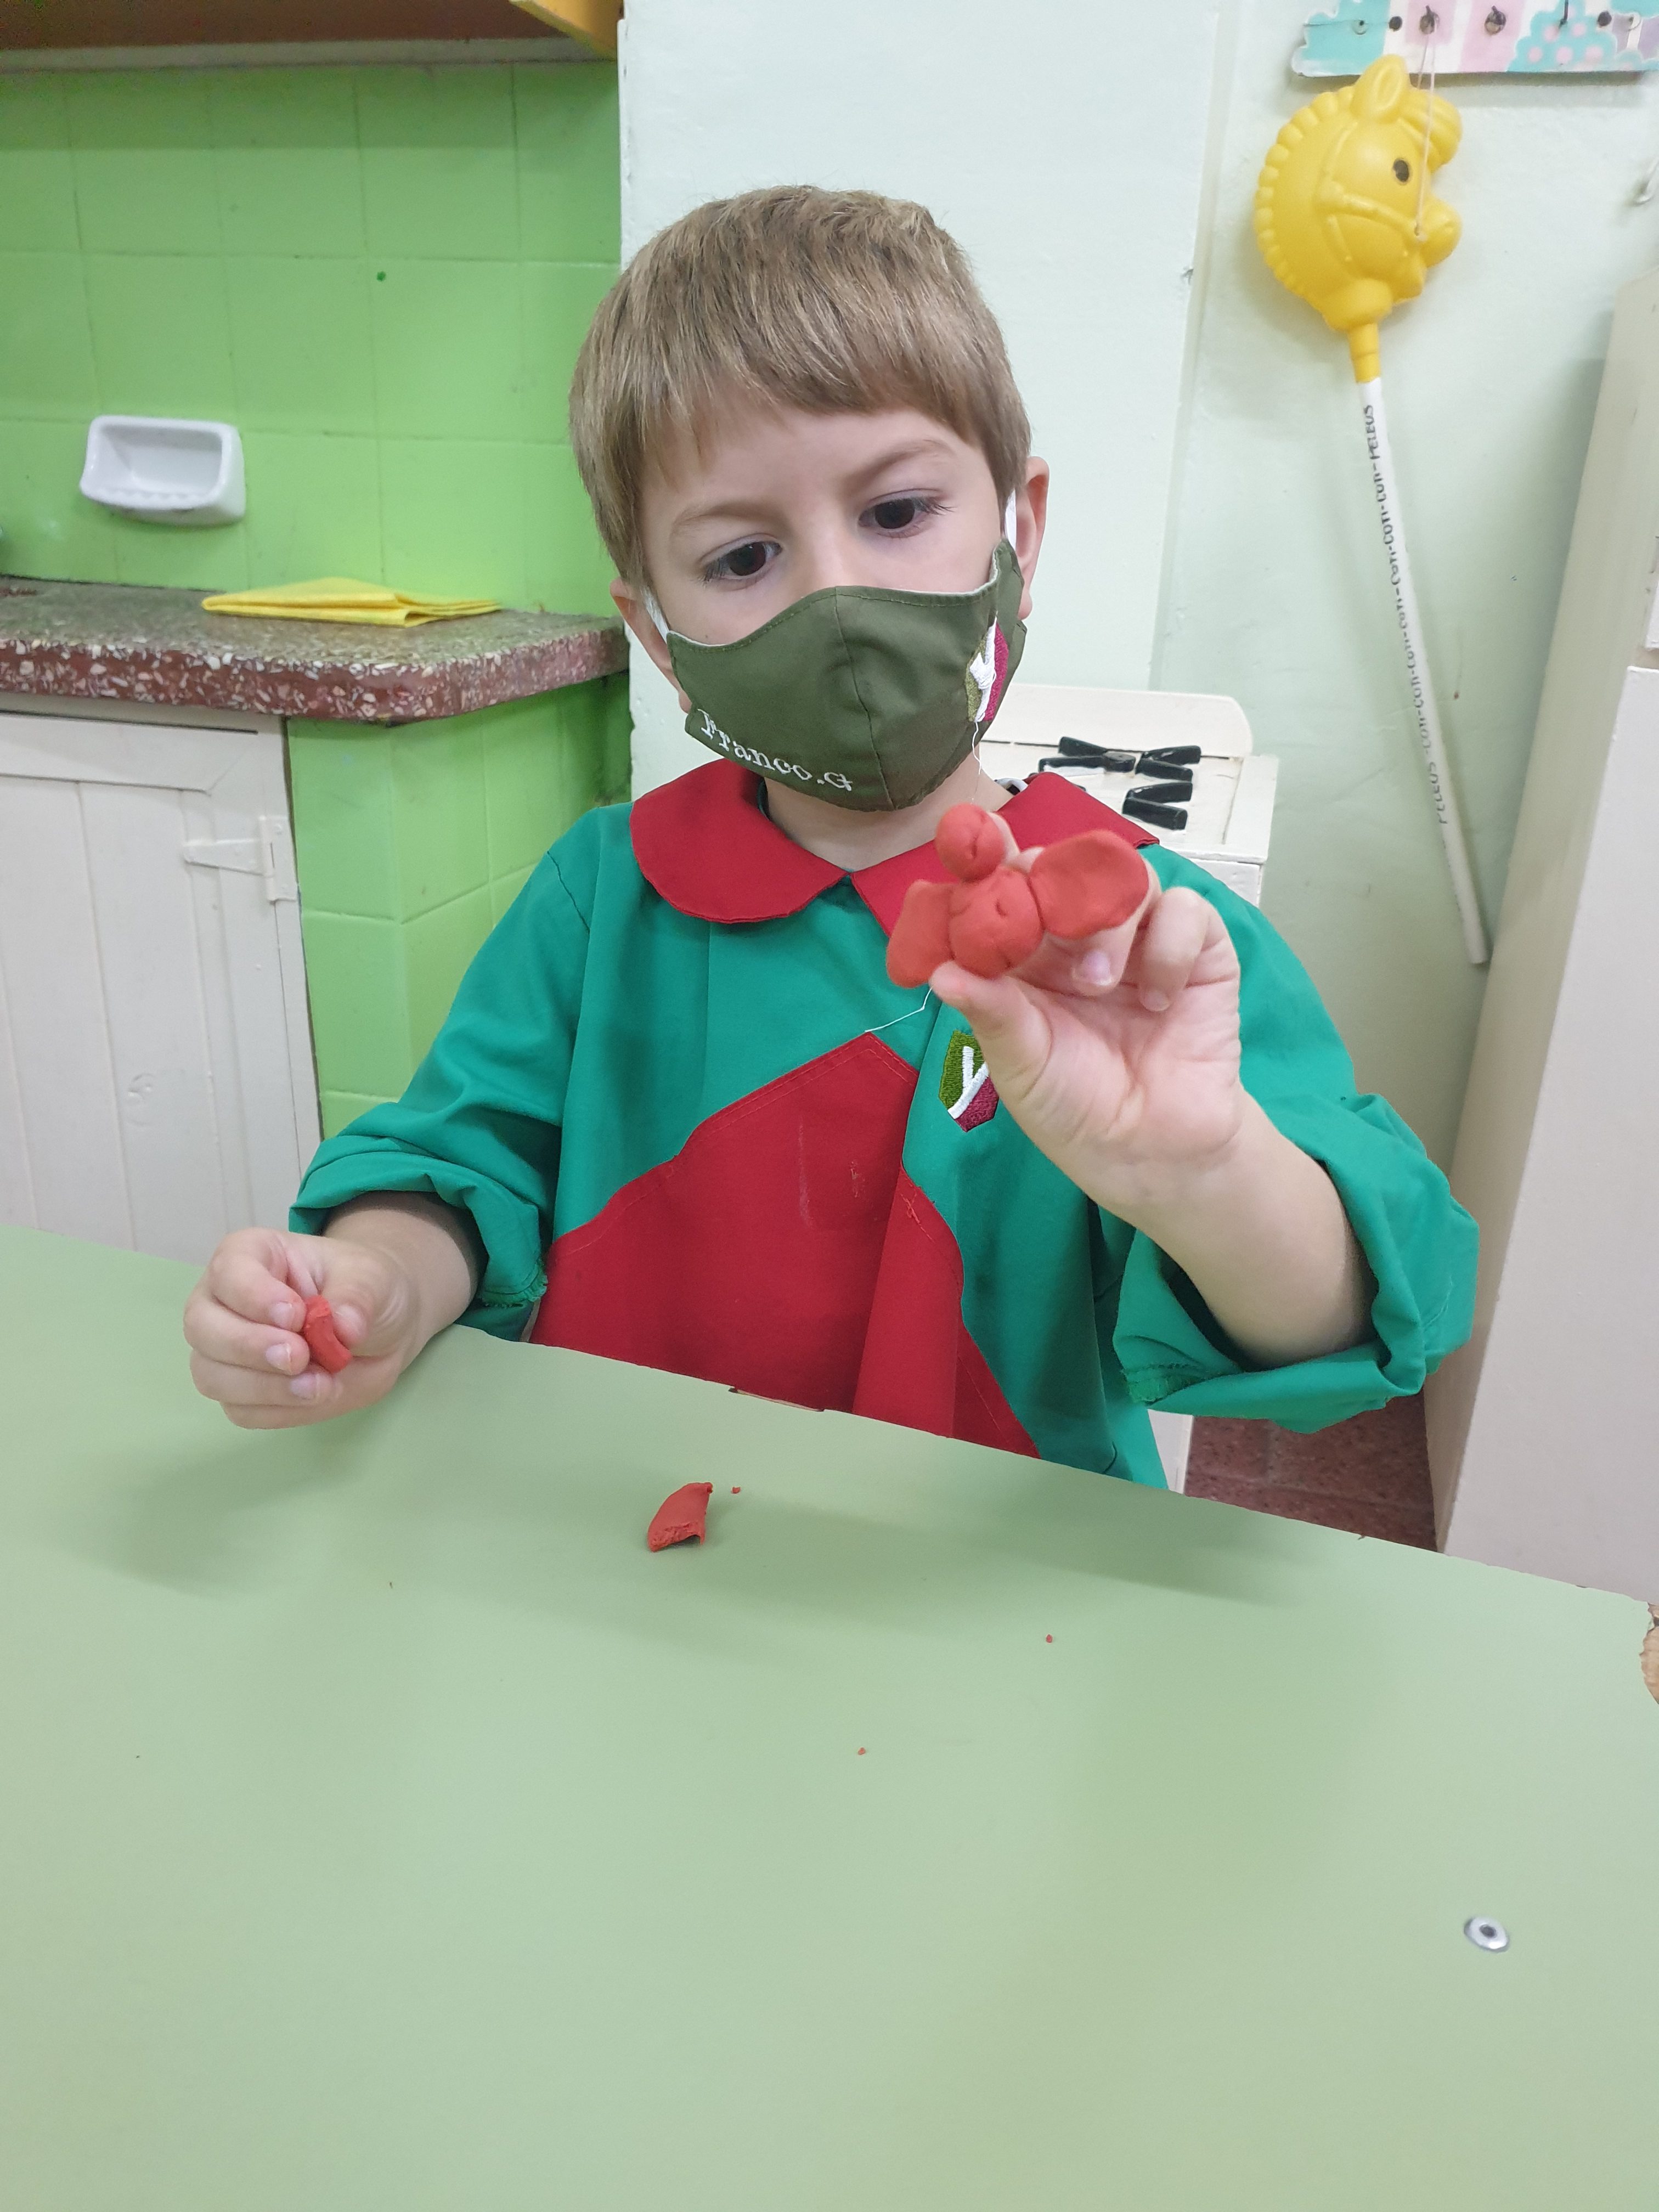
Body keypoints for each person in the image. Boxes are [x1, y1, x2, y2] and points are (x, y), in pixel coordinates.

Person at [182, 186, 1475, 1483]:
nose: (839, 600)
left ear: (1020, 530)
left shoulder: (1146, 938)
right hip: (614, 1540)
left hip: (996, 1573)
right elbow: (459, 1167)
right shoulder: (602, 898)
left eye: (897, 513)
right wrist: (375, 1285)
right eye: (743, 559)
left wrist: (1205, 1173)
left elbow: (1348, 1314)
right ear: (657, 639)